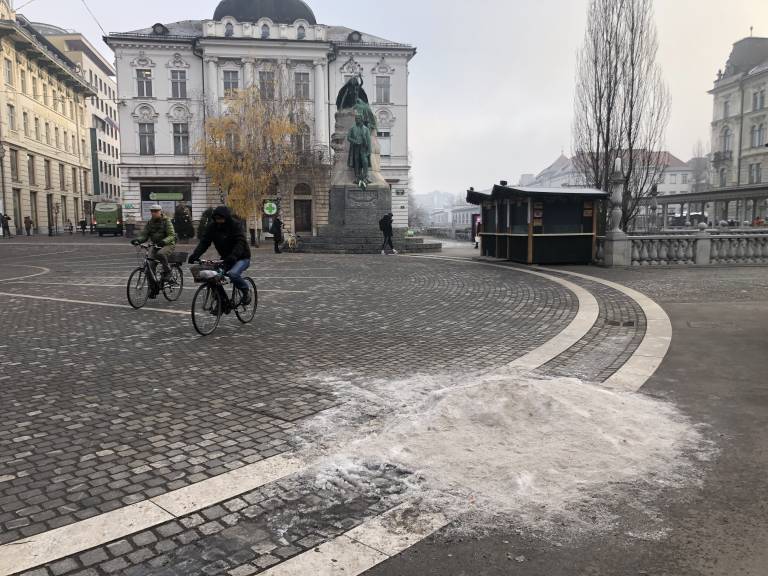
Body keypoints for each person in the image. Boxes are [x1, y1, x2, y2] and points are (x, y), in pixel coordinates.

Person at [188, 206, 252, 305]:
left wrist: (234, 256)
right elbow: (204, 242)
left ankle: (245, 291)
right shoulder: (212, 227)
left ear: (226, 217)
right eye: (217, 219)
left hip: (241, 257)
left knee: (233, 274)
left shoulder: (235, 225)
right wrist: (195, 255)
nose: (219, 221)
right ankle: (222, 302)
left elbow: (240, 242)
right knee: (212, 277)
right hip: (226, 258)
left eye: (221, 218)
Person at [131, 205, 177, 288]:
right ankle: (153, 288)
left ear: (160, 212)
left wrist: (163, 242)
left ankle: (168, 272)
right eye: (152, 211)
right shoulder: (150, 223)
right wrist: (138, 240)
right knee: (150, 267)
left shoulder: (166, 221)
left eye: (156, 211)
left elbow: (171, 235)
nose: (153, 213)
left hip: (168, 244)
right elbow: (144, 235)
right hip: (156, 245)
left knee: (160, 254)